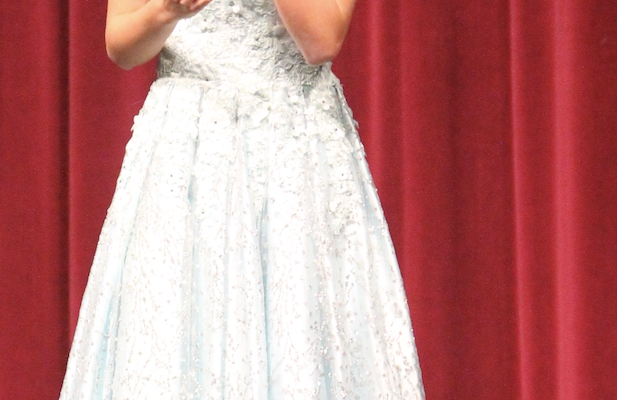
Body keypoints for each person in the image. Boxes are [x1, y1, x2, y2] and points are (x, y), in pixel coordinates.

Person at [60, 0, 424, 398]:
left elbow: (321, 41)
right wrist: (169, 10)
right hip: (188, 155)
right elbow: (121, 44)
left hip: (292, 155)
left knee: (299, 332)